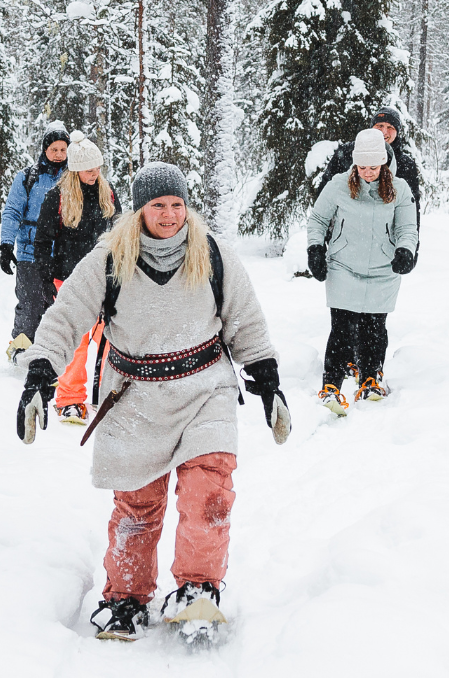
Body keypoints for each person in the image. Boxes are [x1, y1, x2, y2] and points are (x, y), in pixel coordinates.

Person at [16, 163, 289, 642]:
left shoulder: (213, 254)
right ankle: (126, 596)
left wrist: (268, 383)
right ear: (139, 209)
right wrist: (40, 376)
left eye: (177, 205)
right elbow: (66, 316)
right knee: (137, 506)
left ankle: (198, 591)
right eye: (158, 205)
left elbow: (246, 322)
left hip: (205, 389)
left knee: (208, 495)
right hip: (133, 395)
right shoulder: (110, 257)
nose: (169, 215)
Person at [307, 128, 419, 415]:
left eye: (373, 167)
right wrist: (315, 249)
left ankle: (370, 380)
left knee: (374, 328)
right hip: (344, 265)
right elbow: (318, 219)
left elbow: (408, 228)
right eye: (362, 166)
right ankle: (331, 385)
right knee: (341, 327)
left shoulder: (400, 189)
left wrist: (405, 251)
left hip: (383, 269)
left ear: (383, 163)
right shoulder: (338, 185)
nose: (368, 173)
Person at [32, 134, 119, 424]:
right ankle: (69, 400)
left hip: (105, 280)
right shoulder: (56, 197)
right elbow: (42, 242)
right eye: (89, 169)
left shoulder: (108, 193)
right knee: (77, 343)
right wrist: (45, 280)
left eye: (98, 168)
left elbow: (121, 234)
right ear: (76, 169)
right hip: (68, 281)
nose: (95, 173)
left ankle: (108, 395)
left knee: (110, 341)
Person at [0, 125, 68, 363]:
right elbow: (12, 211)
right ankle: (21, 352)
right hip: (29, 253)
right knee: (30, 304)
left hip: (62, 255)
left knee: (58, 308)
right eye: (54, 149)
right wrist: (6, 245)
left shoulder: (74, 178)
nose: (58, 154)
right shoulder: (28, 177)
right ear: (44, 150)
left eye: (63, 149)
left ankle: (51, 356)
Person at [320, 106, 421, 241]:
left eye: (390, 127)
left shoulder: (405, 164)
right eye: (380, 125)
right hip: (346, 242)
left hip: (386, 246)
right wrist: (324, 237)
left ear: (397, 132)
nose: (384, 131)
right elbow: (325, 195)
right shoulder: (347, 153)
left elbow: (412, 209)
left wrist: (410, 247)